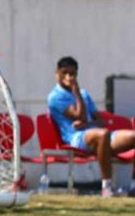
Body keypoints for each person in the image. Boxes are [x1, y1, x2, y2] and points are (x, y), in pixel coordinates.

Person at [47, 56, 135, 197]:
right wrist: (76, 93)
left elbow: (100, 120)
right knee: (102, 134)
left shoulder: (84, 94)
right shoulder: (55, 96)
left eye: (72, 73)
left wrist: (87, 123)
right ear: (57, 73)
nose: (69, 77)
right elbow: (79, 115)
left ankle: (133, 185)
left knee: (131, 136)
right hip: (75, 138)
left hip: (97, 133)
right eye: (64, 73)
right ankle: (106, 188)